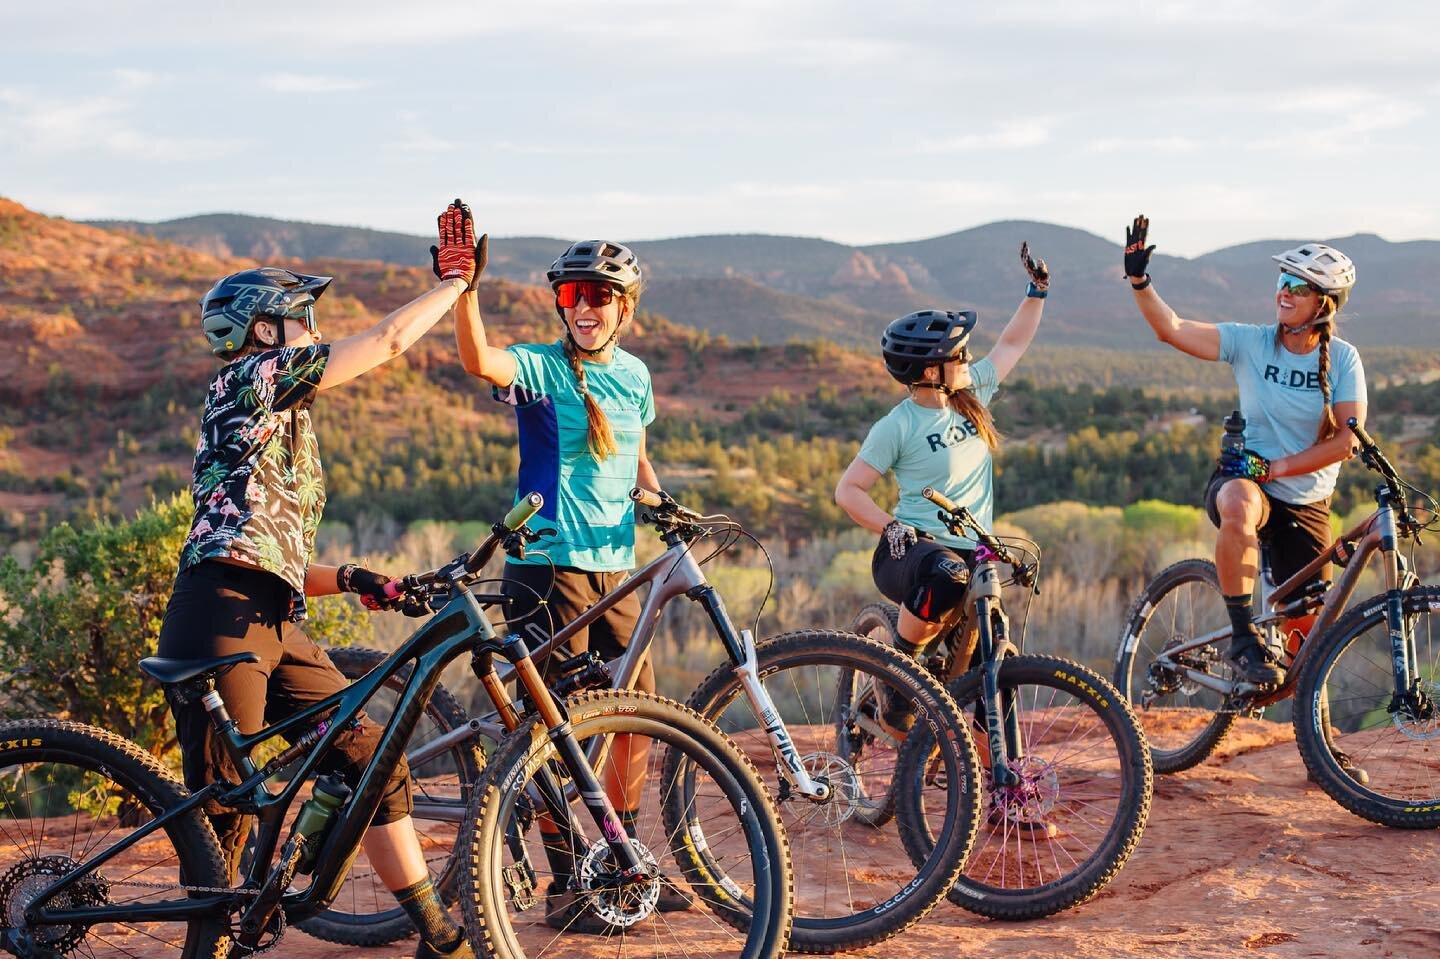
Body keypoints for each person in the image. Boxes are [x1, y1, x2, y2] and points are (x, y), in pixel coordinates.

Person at [156, 202, 483, 959]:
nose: (313, 330)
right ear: (265, 331)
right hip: (219, 614)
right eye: (302, 318)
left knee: (369, 756)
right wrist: (456, 284)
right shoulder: (251, 379)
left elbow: (268, 550)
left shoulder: (282, 417)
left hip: (270, 613)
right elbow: (390, 340)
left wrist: (361, 577)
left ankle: (437, 932)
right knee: (222, 822)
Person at [452, 224, 691, 932]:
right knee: (547, 732)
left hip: (614, 569)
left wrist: (663, 503)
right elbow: (476, 359)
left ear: (626, 307)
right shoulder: (540, 367)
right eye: (572, 294)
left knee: (634, 720)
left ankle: (620, 861)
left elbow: (634, 460)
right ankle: (566, 884)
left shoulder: (637, 375)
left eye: (600, 295)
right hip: (546, 568)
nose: (583, 306)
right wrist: (465, 290)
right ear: (560, 302)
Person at [1121, 214, 1367, 775]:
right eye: (1283, 282)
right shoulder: (1251, 343)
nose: (1284, 292)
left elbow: (1346, 440)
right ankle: (1240, 638)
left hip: (1306, 501)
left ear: (1323, 303)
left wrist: (1279, 465)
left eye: (1299, 286)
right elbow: (1173, 329)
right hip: (1246, 479)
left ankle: (1322, 753)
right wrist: (1140, 281)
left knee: (1310, 640)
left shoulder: (1343, 360)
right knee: (1239, 505)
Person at [835, 244, 1050, 709]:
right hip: (916, 550)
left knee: (993, 665)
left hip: (975, 544)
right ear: (932, 370)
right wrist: (891, 526)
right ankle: (901, 669)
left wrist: (1037, 292)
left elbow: (1012, 344)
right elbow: (848, 491)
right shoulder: (898, 425)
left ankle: (972, 764)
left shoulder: (971, 395)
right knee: (950, 575)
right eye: (960, 354)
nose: (969, 359)